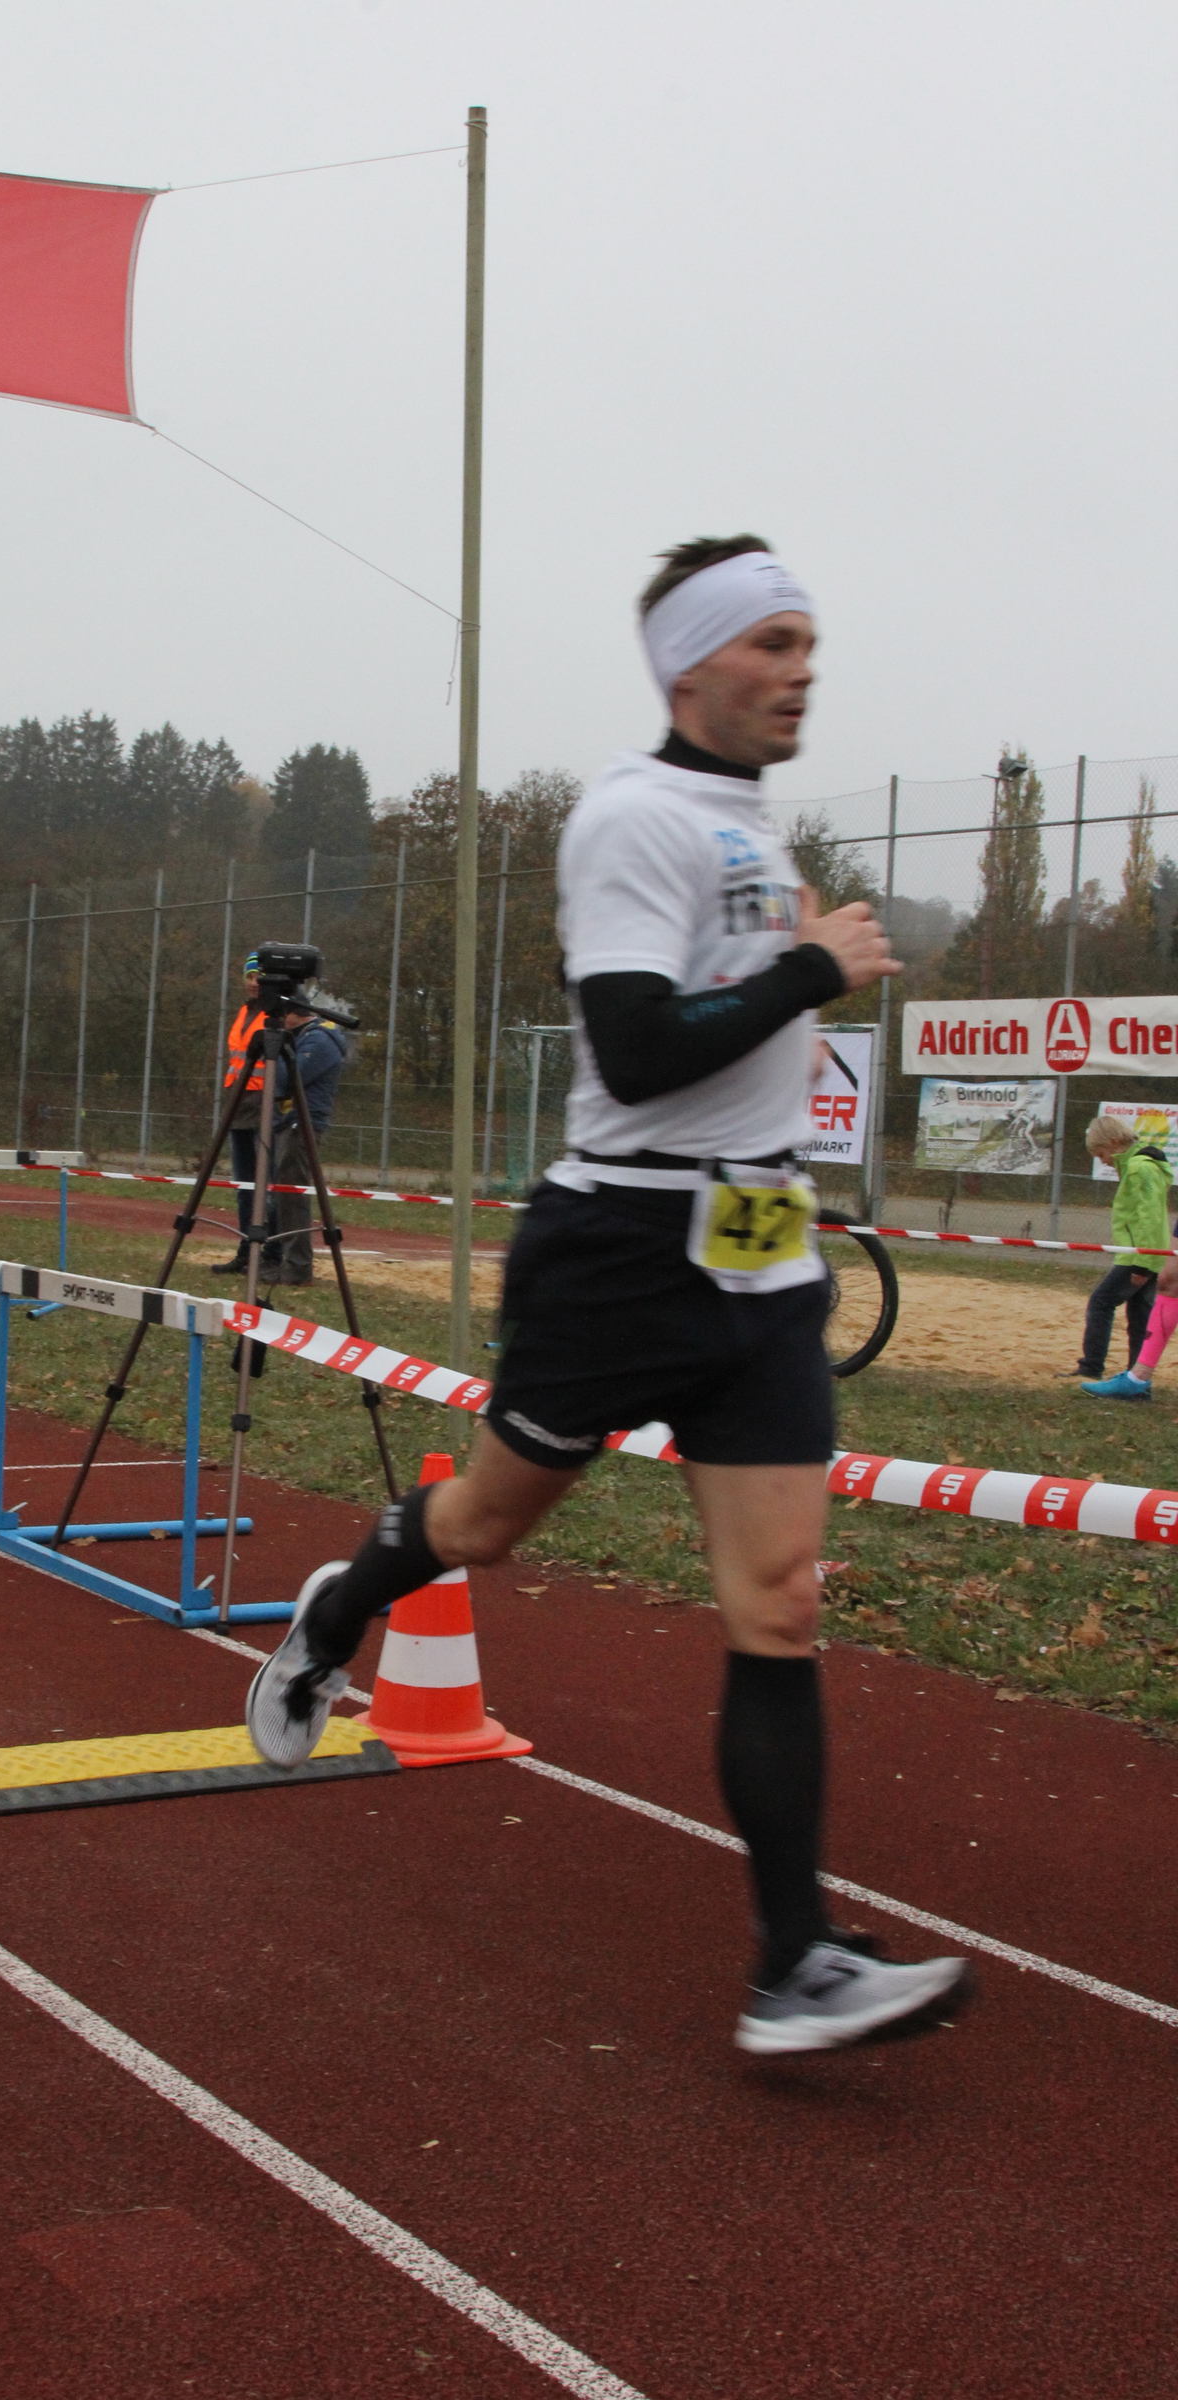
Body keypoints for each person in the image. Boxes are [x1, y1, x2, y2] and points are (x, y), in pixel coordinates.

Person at [245, 535, 970, 2057]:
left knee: (781, 1602)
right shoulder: (634, 816)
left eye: (807, 642)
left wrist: (798, 964)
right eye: (772, 641)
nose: (802, 668)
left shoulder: (754, 828)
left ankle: (793, 1964)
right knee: (482, 1529)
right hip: (624, 1251)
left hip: (763, 1249)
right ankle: (341, 1606)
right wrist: (812, 971)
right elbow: (637, 1051)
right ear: (692, 663)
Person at [1077, 1115, 1173, 1397]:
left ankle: (1091, 1366)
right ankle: (1136, 1379)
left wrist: (1142, 1264)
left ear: (1114, 1142)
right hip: (1148, 1253)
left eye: (1102, 1154)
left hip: (1140, 1256)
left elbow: (1150, 1218)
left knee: (1101, 1302)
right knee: (1140, 1316)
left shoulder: (1139, 1168)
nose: (1103, 1161)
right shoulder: (1140, 1165)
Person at [267, 997, 347, 1286]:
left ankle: (297, 1268)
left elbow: (288, 1079)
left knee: (293, 1195)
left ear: (294, 1014)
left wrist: (277, 1048)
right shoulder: (305, 1037)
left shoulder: (319, 1040)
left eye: (282, 1016)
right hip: (289, 1122)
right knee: (285, 1195)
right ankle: (288, 1262)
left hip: (302, 1123)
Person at [212, 953, 276, 1276]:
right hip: (239, 1106)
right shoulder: (243, 1013)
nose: (254, 983)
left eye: (259, 977)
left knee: (269, 1186)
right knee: (245, 1186)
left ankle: (273, 1253)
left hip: (264, 1106)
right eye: (250, 976)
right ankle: (246, 1251)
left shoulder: (275, 1014)